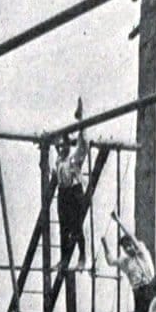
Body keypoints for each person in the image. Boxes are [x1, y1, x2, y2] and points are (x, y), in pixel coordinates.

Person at [101, 213, 156, 312]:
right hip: (137, 292)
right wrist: (105, 245)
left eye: (130, 245)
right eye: (125, 248)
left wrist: (118, 221)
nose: (129, 249)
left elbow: (131, 235)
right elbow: (111, 261)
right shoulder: (125, 261)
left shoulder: (142, 252)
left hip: (149, 288)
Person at [53, 108, 89, 271]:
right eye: (60, 146)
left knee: (76, 227)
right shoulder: (59, 159)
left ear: (68, 145)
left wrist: (81, 123)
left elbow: (84, 144)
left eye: (64, 145)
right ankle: (64, 260)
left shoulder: (75, 157)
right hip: (63, 193)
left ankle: (82, 257)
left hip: (74, 192)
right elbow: (54, 142)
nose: (61, 148)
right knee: (63, 228)